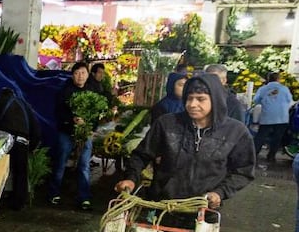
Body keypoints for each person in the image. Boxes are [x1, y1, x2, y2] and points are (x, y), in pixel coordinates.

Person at [116, 73, 255, 219]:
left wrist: (220, 193)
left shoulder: (236, 132)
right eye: (189, 98)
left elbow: (243, 171)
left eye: (201, 99)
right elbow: (141, 155)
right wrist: (131, 178)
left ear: (215, 100)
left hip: (204, 211)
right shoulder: (167, 124)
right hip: (162, 207)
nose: (192, 104)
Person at [48, 62, 95, 210]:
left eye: (83, 73)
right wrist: (71, 119)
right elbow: (58, 112)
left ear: (87, 75)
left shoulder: (93, 92)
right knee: (60, 161)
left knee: (84, 165)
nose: (80, 76)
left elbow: (97, 113)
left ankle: (84, 197)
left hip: (85, 133)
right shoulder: (64, 91)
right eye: (77, 73)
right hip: (66, 132)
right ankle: (53, 193)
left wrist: (89, 125)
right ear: (72, 75)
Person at [0, 87, 40, 209]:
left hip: (4, 141)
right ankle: (19, 203)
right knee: (20, 172)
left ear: (1, 95)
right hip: (22, 141)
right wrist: (32, 147)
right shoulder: (25, 105)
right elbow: (35, 127)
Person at [252, 71, 293, 161]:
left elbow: (256, 100)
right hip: (282, 117)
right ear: (279, 79)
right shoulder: (285, 89)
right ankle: (271, 156)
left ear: (268, 79)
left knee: (261, 136)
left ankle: (253, 155)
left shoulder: (263, 89)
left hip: (267, 117)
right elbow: (290, 100)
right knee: (277, 138)